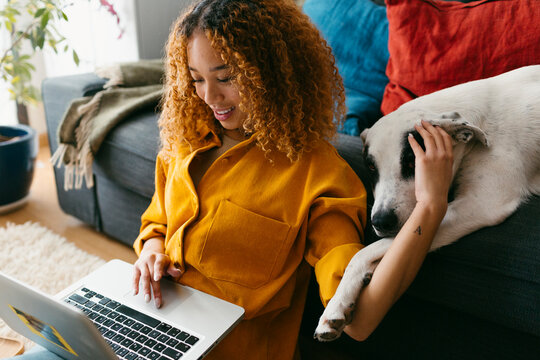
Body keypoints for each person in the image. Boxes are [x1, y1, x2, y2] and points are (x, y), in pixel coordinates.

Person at [8, 0, 453, 359]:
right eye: (197, 78)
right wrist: (152, 253)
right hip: (144, 325)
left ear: (274, 75)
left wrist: (430, 207)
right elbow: (156, 224)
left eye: (226, 78)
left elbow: (359, 320)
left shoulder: (318, 174)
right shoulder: (187, 140)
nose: (208, 97)